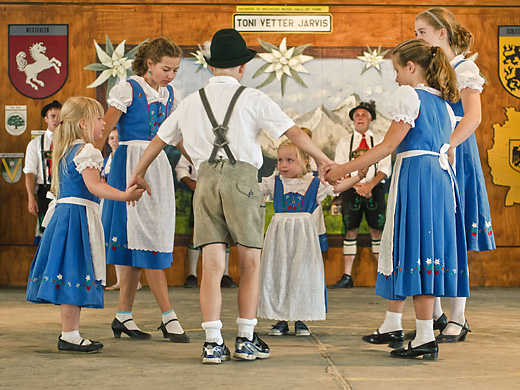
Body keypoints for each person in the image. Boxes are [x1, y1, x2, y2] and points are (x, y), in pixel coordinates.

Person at [129, 28, 335, 364]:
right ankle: (245, 338)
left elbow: (159, 141)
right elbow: (293, 132)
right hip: (242, 179)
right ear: (242, 67)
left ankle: (212, 342)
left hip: (206, 181)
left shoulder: (191, 102)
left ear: (210, 67)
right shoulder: (253, 98)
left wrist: (137, 171)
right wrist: (324, 159)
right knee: (250, 262)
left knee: (212, 264)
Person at [326, 39, 469, 360]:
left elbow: (387, 147)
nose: (394, 78)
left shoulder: (410, 95)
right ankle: (417, 331)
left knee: (415, 250)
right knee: (424, 251)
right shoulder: (444, 104)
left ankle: (423, 337)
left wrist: (342, 169)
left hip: (417, 175)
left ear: (411, 67)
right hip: (440, 178)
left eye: (396, 70)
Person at [26, 96, 144, 353]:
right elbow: (94, 186)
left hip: (64, 216)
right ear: (83, 123)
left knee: (71, 273)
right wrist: (125, 195)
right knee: (75, 271)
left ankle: (70, 333)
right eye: (99, 118)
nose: (104, 123)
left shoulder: (65, 149)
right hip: (77, 217)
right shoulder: (87, 151)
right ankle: (69, 335)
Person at [99, 37, 190, 343]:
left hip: (158, 166)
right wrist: (88, 162)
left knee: (144, 240)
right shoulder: (129, 88)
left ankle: (123, 316)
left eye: (175, 70)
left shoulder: (172, 95)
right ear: (149, 63)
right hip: (129, 164)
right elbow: (105, 127)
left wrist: (200, 162)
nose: (171, 75)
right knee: (145, 240)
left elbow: (177, 138)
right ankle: (168, 316)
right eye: (166, 68)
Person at [414, 6, 495, 342]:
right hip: (433, 156)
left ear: (441, 33)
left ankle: (459, 317)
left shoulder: (465, 68)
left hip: (455, 155)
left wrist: (447, 146)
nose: (417, 37)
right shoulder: (430, 69)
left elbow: (472, 117)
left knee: (454, 234)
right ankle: (434, 314)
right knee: (432, 232)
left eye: (422, 32)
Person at [259, 140, 365, 337]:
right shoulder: (273, 183)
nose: (283, 164)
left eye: (290, 160)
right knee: (280, 272)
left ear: (305, 161)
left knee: (302, 274)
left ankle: (301, 318)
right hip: (279, 237)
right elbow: (253, 191)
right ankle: (280, 318)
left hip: (304, 238)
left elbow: (338, 188)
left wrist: (358, 176)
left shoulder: (314, 184)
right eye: (280, 159)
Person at [330, 101, 392, 289]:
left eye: (364, 114)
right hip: (351, 190)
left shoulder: (381, 139)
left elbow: (385, 168)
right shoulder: (344, 141)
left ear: (370, 119)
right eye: (357, 115)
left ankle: (384, 276)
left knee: (377, 231)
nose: (360, 118)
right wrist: (358, 186)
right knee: (350, 230)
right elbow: (339, 166)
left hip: (375, 190)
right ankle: (347, 276)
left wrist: (370, 185)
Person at [175, 155, 237, 289]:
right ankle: (192, 275)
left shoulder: (229, 140)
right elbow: (181, 168)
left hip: (224, 189)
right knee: (197, 231)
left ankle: (224, 275)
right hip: (200, 190)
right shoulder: (194, 139)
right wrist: (191, 182)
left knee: (225, 231)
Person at [24, 100, 62, 244]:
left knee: (63, 231)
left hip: (65, 190)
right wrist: (31, 197)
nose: (56, 120)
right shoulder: (35, 144)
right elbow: (29, 172)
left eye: (59, 116)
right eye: (53, 116)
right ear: (46, 119)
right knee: (45, 232)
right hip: (44, 191)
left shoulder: (69, 142)